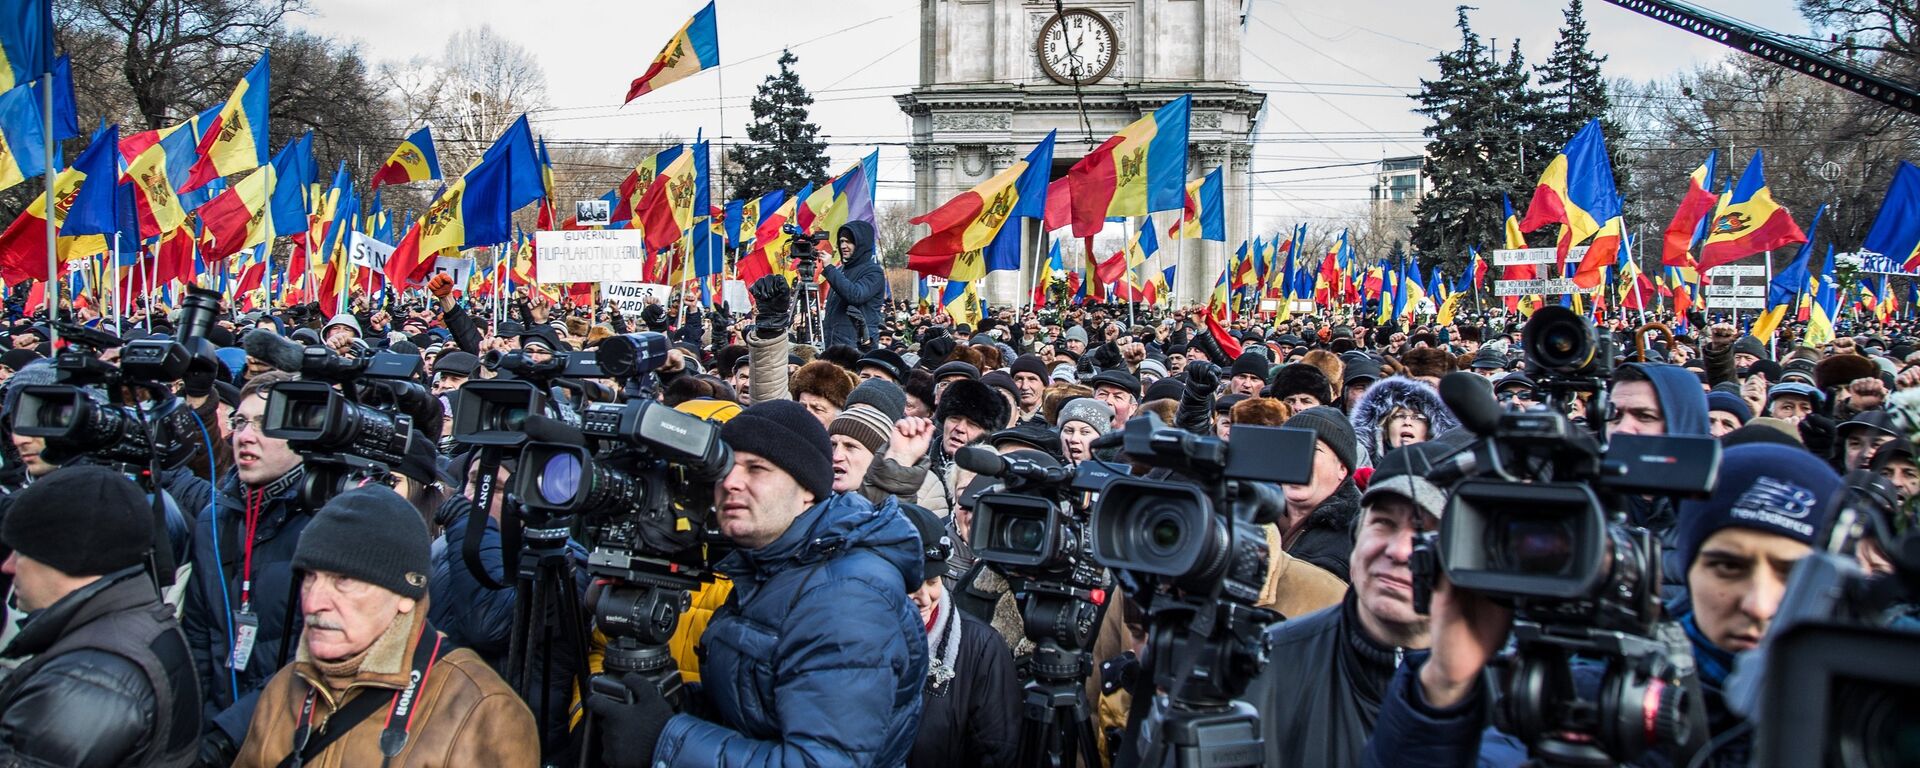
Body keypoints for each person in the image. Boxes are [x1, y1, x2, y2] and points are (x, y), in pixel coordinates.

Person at [1361, 443, 1843, 768]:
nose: (1758, 603)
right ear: (1684, 567)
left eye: (1791, 573)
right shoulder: (1586, 688)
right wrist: (1442, 688)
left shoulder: (1881, 709)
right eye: (1727, 568)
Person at [587, 400, 927, 767]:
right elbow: (762, 706)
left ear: (808, 489)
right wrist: (679, 706)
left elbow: (821, 761)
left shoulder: (847, 597)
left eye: (756, 469)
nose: (731, 482)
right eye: (726, 468)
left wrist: (666, 740)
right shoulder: (773, 564)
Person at [230, 486, 539, 766]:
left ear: (406, 595)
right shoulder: (284, 688)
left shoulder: (482, 710)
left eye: (343, 580)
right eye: (309, 577)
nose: (313, 603)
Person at [1244, 443, 1449, 766]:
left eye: (1427, 533)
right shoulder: (1270, 661)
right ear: (1356, 537)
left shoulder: (1506, 694)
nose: (1399, 551)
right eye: (1383, 524)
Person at [0, 466, 201, 768]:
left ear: (68, 556)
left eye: (22, 552)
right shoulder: (135, 624)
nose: (8, 566)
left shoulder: (85, 680)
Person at [184, 370, 313, 758]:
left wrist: (232, 732)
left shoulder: (324, 521)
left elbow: (313, 658)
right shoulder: (213, 520)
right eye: (240, 421)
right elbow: (199, 636)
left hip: (291, 738)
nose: (245, 436)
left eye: (265, 424)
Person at [900, 502, 1020, 767]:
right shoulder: (850, 641)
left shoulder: (980, 647)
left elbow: (998, 753)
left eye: (932, 582)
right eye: (910, 583)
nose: (923, 597)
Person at [1277, 406, 1363, 580]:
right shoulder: (1252, 514)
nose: (1298, 458)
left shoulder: (1358, 534)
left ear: (1342, 469)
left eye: (1313, 449)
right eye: (1291, 447)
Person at [1347, 377, 1460, 469]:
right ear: (1384, 427)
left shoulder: (1445, 475)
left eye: (1417, 417)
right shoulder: (1358, 469)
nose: (1407, 422)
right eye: (1399, 416)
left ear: (1430, 430)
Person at [823, 221, 888, 348]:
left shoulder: (874, 271)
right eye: (841, 241)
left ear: (861, 244)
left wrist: (829, 269)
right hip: (834, 344)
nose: (843, 246)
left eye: (849, 242)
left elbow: (856, 295)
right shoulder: (840, 270)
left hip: (858, 346)